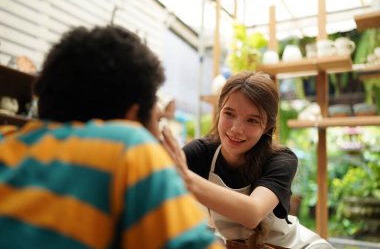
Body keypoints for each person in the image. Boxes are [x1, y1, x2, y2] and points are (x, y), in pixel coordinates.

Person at [0, 25, 223, 249]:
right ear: (132, 116)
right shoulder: (128, 146)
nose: (157, 134)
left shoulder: (6, 140)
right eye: (157, 120)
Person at [162, 71, 334, 249]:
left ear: (267, 126)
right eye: (229, 114)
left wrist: (187, 179)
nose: (237, 129)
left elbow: (252, 213)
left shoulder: (281, 159)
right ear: (219, 111)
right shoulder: (202, 152)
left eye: (252, 120)